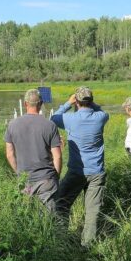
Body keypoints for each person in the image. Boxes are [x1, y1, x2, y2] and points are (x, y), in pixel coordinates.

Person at [51, 86, 109, 246]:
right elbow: (100, 110)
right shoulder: (101, 117)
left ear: (76, 101)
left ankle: (62, 240)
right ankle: (87, 246)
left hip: (77, 171)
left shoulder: (70, 119)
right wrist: (91, 103)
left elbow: (53, 118)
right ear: (91, 101)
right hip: (97, 172)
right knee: (92, 211)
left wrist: (68, 103)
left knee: (61, 203)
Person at [4, 89, 62, 213]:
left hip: (25, 181)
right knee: (49, 222)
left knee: (29, 219)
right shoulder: (50, 125)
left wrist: (20, 173)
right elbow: (57, 156)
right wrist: (56, 177)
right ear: (41, 104)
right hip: (47, 180)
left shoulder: (12, 124)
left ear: (25, 104)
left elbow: (9, 155)